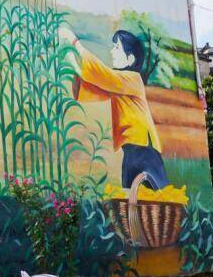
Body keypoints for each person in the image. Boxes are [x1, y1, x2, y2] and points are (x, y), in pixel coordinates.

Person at [64, 27, 170, 189]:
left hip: (144, 149)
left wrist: (75, 43)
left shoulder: (132, 79)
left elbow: (104, 75)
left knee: (156, 195)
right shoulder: (119, 85)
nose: (112, 52)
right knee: (132, 197)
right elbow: (93, 87)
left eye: (116, 48)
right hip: (132, 150)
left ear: (130, 59)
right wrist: (73, 63)